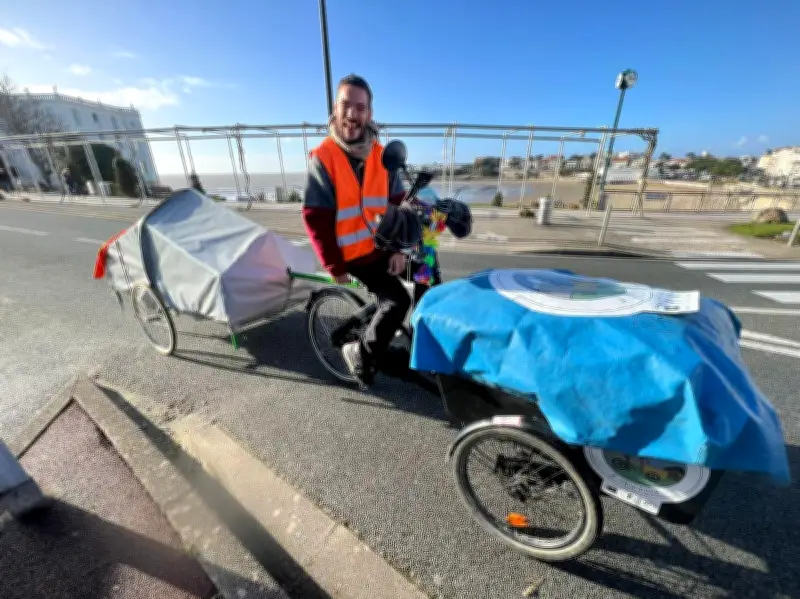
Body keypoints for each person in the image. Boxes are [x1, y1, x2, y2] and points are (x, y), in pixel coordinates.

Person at [302, 74, 411, 386]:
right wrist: (334, 264)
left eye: (360, 107)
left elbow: (399, 204)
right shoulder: (324, 158)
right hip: (354, 255)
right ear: (335, 109)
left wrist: (398, 250)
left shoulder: (381, 155)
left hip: (380, 247)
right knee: (397, 301)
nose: (352, 114)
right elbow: (316, 216)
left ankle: (424, 345)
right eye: (345, 105)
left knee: (427, 274)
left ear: (370, 113)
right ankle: (362, 355)